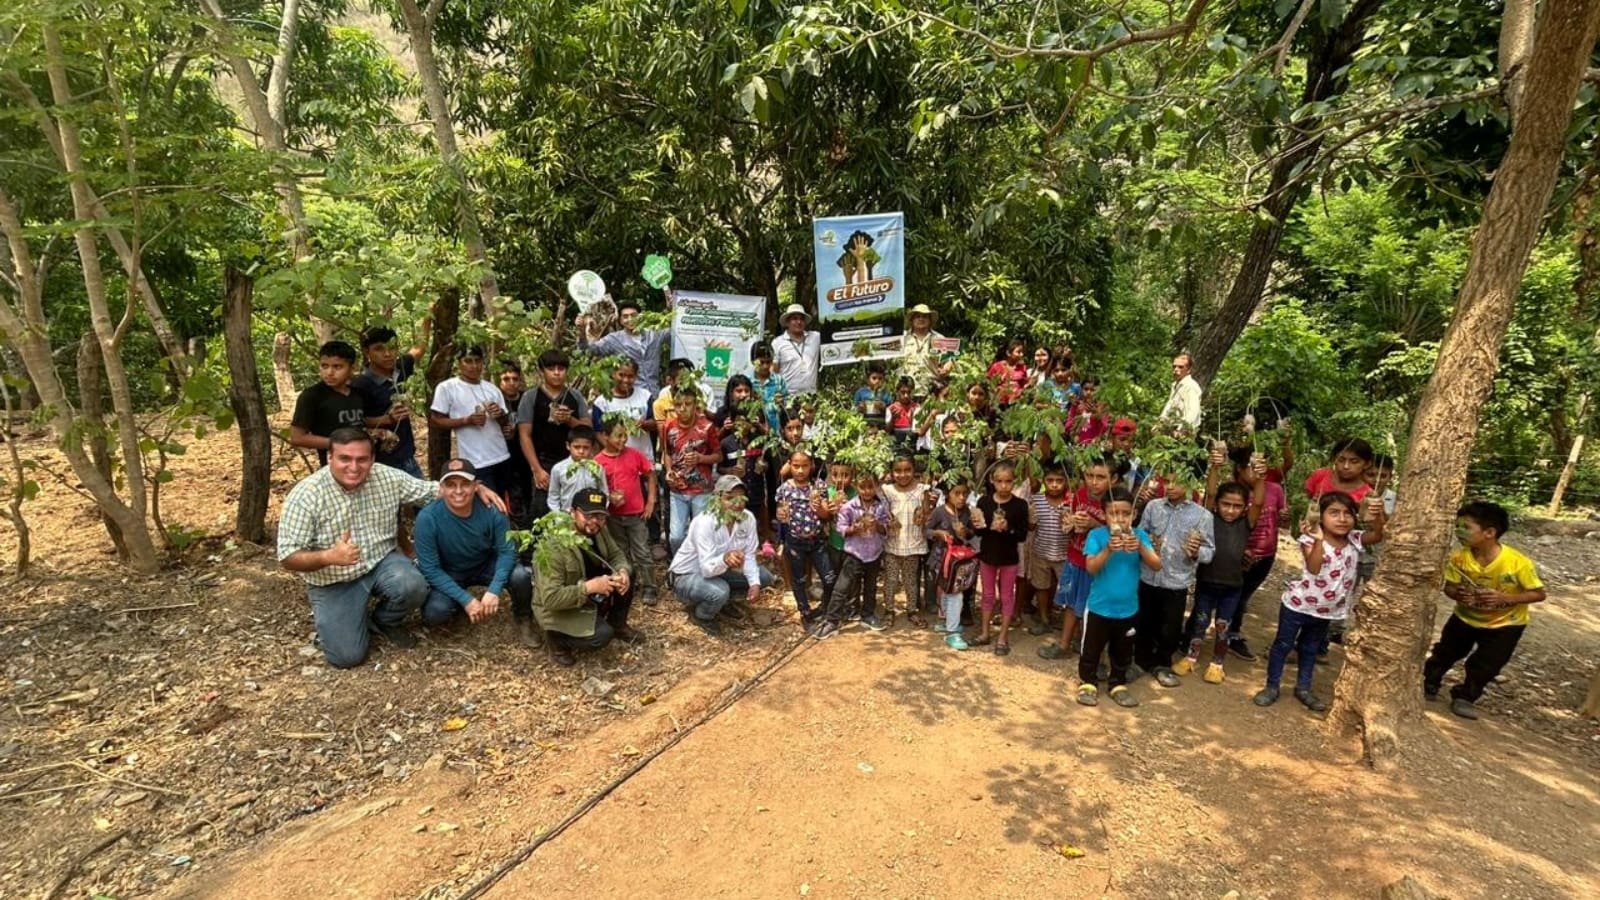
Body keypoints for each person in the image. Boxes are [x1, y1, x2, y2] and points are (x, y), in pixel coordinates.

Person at [277, 428, 504, 668]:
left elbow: (435, 491)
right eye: (345, 458)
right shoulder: (306, 495)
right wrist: (328, 556)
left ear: (372, 459)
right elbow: (288, 557)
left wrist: (475, 488)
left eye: (362, 459)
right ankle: (347, 619)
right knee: (347, 657)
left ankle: (385, 620)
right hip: (333, 579)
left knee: (414, 585)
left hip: (381, 563)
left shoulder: (387, 477)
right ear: (330, 458)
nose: (354, 466)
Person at [1253, 492, 1386, 712]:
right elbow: (1314, 568)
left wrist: (1378, 514)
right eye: (1334, 513)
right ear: (1322, 517)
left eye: (1347, 514)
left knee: (1310, 648)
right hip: (1298, 605)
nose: (1342, 519)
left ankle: (1303, 688)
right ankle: (1271, 686)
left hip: (1326, 611)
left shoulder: (1354, 539)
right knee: (1283, 646)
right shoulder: (1310, 539)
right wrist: (1318, 540)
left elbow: (1378, 535)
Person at [1423, 501, 1546, 720]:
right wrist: (1457, 593)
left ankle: (1466, 696)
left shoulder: (1517, 563)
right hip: (1465, 617)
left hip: (1505, 624)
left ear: (1490, 532)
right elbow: (1449, 587)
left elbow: (1538, 594)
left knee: (1488, 664)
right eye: (1457, 525)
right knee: (1446, 652)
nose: (1459, 531)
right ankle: (1429, 682)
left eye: (1466, 527)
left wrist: (1506, 598)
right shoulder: (1459, 558)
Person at [413, 458, 533, 642]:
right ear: (442, 488)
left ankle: (524, 617)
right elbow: (430, 568)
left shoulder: (492, 509)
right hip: (450, 571)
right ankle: (459, 605)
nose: (459, 491)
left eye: (465, 484)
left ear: (476, 485)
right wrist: (465, 599)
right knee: (435, 612)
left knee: (521, 576)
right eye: (451, 485)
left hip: (484, 563)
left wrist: (494, 590)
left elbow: (507, 551)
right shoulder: (427, 518)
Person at [533, 489, 640, 667]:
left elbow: (616, 555)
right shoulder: (553, 546)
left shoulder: (598, 530)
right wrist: (589, 588)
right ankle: (557, 641)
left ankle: (618, 624)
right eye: (588, 515)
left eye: (600, 516)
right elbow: (551, 599)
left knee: (630, 573)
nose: (594, 522)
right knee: (601, 636)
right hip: (561, 607)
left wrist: (622, 571)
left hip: (591, 592)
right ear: (572, 513)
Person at [1077, 487, 1161, 708]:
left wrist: (1140, 547)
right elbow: (1091, 568)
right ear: (1105, 515)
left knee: (1122, 649)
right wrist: (1108, 550)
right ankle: (1088, 682)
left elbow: (1156, 564)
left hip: (1128, 609)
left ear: (1134, 515)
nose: (1120, 519)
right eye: (1114, 513)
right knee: (1092, 649)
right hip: (1098, 608)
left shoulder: (1140, 536)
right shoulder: (1096, 536)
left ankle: (1117, 683)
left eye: (1125, 514)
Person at [1173, 463, 1256, 683]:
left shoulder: (1246, 523)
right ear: (1217, 505)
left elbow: (1258, 501)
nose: (1230, 510)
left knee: (1223, 625)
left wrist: (1260, 478)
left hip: (1232, 586)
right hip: (1207, 582)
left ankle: (1217, 664)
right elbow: (1210, 493)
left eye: (1236, 506)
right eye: (1225, 504)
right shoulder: (1209, 518)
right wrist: (1215, 468)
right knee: (1200, 621)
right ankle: (1191, 658)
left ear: (1245, 508)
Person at [1135, 474, 1215, 687]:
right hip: (1148, 577)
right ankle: (1140, 662)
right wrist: (1147, 540)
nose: (1169, 486)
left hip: (1176, 581)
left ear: (1189, 481)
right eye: (1167, 481)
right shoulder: (1153, 506)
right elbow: (1140, 532)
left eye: (1176, 481)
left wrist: (1196, 552)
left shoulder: (1202, 515)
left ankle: (1162, 664)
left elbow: (1210, 551)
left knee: (1169, 627)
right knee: (1144, 622)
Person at [669, 475, 776, 635]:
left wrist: (754, 584)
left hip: (719, 570)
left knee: (763, 577)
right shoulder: (705, 522)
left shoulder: (748, 518)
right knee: (719, 591)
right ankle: (702, 615)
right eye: (729, 498)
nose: (736, 503)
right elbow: (706, 569)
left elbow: (749, 554)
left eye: (741, 498)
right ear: (717, 498)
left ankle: (723, 602)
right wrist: (725, 559)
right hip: (687, 574)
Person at [1041, 457, 1112, 660]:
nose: (1094, 482)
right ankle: (1064, 644)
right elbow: (1067, 526)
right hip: (1075, 557)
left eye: (1100, 477)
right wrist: (1070, 522)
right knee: (1071, 604)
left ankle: (1089, 651)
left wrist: (1093, 524)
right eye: (1089, 476)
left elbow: (1117, 533)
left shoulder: (1113, 503)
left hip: (1098, 565)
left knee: (1094, 609)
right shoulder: (1078, 495)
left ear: (1112, 479)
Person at [1224, 447, 1287, 661]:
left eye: (1261, 464)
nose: (1257, 470)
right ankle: (1211, 631)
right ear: (1240, 469)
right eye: (1251, 466)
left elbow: (1281, 519)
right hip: (1239, 554)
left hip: (1266, 554)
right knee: (1232, 593)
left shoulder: (1276, 490)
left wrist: (1287, 516)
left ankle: (1232, 633)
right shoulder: (1232, 493)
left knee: (1244, 595)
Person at [811, 469, 892, 639]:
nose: (867, 491)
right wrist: (852, 529)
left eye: (871, 487)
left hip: (874, 553)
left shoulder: (880, 507)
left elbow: (886, 528)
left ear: (876, 487)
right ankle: (832, 620)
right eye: (863, 487)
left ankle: (868, 614)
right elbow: (840, 528)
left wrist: (877, 525)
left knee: (870, 587)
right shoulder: (849, 507)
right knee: (841, 588)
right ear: (857, 487)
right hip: (854, 553)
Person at [517, 349, 590, 520]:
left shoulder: (575, 396)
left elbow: (587, 429)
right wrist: (536, 469)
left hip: (573, 460)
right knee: (542, 511)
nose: (557, 373)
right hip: (543, 461)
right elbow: (524, 435)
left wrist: (569, 420)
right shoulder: (531, 397)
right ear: (542, 371)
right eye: (551, 369)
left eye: (561, 368)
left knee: (574, 506)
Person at [429, 345, 512, 493]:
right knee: (485, 503)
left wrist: (499, 414)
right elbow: (436, 420)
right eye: (468, 361)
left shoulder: (492, 388)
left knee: (504, 500)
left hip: (501, 455)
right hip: (475, 460)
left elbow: (505, 423)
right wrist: (467, 421)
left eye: (477, 361)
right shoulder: (447, 388)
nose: (474, 366)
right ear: (459, 363)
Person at [595, 418, 659, 606]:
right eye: (618, 436)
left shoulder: (635, 455)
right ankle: (629, 581)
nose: (623, 440)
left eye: (625, 435)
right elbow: (597, 488)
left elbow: (650, 475)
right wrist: (607, 501)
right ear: (605, 436)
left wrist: (651, 501)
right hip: (613, 516)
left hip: (636, 514)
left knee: (642, 551)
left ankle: (650, 586)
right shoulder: (598, 461)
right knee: (621, 551)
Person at [970, 460, 1030, 655]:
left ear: (1014, 482)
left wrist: (1008, 529)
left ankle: (1003, 636)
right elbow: (978, 533)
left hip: (1009, 558)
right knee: (987, 595)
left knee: (1006, 596)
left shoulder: (1020, 505)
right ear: (992, 481)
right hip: (987, 555)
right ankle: (985, 632)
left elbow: (1021, 535)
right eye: (1000, 481)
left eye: (1008, 481)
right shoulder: (984, 502)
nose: (1004, 486)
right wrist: (977, 525)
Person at [775, 449, 835, 624]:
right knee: (798, 579)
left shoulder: (819, 486)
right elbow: (781, 513)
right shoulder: (784, 489)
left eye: (805, 466)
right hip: (795, 541)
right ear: (790, 466)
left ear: (812, 466)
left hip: (817, 541)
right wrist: (781, 516)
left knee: (829, 577)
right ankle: (805, 611)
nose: (800, 471)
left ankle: (825, 606)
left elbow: (826, 516)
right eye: (796, 466)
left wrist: (818, 507)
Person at [354, 326, 423, 475]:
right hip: (379, 464)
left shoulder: (401, 369)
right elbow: (357, 422)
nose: (387, 354)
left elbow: (419, 349)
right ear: (367, 352)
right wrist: (388, 419)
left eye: (392, 348)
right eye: (379, 349)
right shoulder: (360, 385)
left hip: (408, 458)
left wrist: (428, 316)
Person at [662, 386, 721, 554]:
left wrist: (700, 459)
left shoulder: (707, 427)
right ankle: (679, 569)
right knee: (675, 537)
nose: (683, 408)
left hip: (701, 490)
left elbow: (718, 455)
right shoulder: (669, 426)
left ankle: (700, 567)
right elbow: (668, 452)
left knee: (702, 535)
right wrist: (668, 471)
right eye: (678, 404)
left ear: (696, 405)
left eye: (688, 403)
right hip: (677, 490)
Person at [290, 340, 369, 466]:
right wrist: (338, 444)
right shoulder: (312, 396)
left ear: (352, 368)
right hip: (333, 466)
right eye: (324, 366)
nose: (329, 373)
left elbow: (364, 421)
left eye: (337, 367)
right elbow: (297, 437)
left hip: (363, 462)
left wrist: (388, 419)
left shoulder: (358, 394)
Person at [576, 297, 670, 393]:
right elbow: (590, 351)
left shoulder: (654, 335)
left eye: (633, 315)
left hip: (654, 394)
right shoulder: (614, 339)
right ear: (620, 320)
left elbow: (676, 331)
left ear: (640, 317)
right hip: (630, 395)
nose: (630, 319)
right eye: (625, 316)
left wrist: (673, 308)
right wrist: (581, 332)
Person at [925, 480, 977, 650]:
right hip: (941, 560)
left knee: (954, 592)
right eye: (957, 493)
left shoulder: (967, 513)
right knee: (951, 593)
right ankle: (952, 632)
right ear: (948, 494)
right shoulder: (939, 512)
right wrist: (939, 533)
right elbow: (926, 530)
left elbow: (971, 534)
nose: (961, 497)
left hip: (958, 563)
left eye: (965, 493)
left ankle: (947, 622)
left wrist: (965, 532)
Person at [882, 456, 932, 628]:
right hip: (892, 545)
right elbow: (881, 506)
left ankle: (912, 610)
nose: (902, 474)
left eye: (907, 470)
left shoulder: (921, 489)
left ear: (914, 470)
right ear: (891, 472)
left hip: (913, 544)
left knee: (911, 581)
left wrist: (925, 510)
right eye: (898, 470)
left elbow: (926, 513)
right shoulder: (887, 490)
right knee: (891, 580)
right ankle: (889, 610)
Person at [1025, 465, 1071, 637]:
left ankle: (1068, 627)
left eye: (1059, 481)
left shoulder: (1071, 501)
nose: (1054, 485)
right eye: (1050, 481)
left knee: (1067, 590)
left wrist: (1070, 522)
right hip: (1041, 552)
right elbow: (1031, 527)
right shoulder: (1036, 500)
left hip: (1065, 555)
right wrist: (1031, 519)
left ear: (1065, 483)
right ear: (1044, 481)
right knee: (1041, 587)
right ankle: (1044, 619)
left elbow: (1074, 530)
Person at [496, 359, 534, 527]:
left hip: (525, 456)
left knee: (527, 492)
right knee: (509, 494)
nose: (511, 383)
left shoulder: (528, 399)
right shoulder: (495, 400)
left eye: (515, 379)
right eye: (506, 379)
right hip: (502, 456)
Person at [548, 425, 608, 513]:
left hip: (591, 517)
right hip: (567, 515)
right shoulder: (558, 469)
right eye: (576, 447)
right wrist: (559, 517)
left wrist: (598, 514)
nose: (581, 451)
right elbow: (553, 496)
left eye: (586, 447)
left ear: (592, 447)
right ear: (568, 446)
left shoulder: (598, 468)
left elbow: (604, 493)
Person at [901, 303, 951, 395]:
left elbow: (950, 360)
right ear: (912, 320)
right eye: (917, 316)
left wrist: (946, 369)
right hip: (905, 391)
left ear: (930, 320)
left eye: (925, 316)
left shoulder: (939, 338)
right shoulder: (902, 338)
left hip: (932, 389)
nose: (921, 319)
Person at [771, 304, 822, 395]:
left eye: (801, 319)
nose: (799, 322)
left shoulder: (815, 337)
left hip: (811, 396)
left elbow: (833, 336)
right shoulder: (777, 343)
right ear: (787, 322)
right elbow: (774, 371)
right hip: (788, 397)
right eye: (794, 318)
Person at [1304, 438, 1374, 502]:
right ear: (1334, 459)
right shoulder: (1320, 476)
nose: (1346, 466)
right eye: (1341, 460)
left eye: (1354, 462)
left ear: (1367, 464)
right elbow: (1301, 501)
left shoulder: (1367, 494)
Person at [1158, 353, 1202, 433]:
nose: (1176, 369)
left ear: (1189, 370)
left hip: (1183, 431)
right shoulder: (1176, 385)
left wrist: (1181, 430)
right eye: (1174, 366)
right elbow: (1170, 405)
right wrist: (1160, 423)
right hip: (1171, 428)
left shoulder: (1190, 386)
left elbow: (1193, 411)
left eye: (1181, 367)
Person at [987, 338, 1029, 406]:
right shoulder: (996, 366)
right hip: (999, 404)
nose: (1021, 355)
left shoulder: (1022, 368)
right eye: (1018, 352)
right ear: (1008, 353)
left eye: (1022, 352)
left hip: (1016, 404)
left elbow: (1023, 385)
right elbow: (989, 385)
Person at [853, 361, 893, 427]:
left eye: (880, 378)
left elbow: (890, 411)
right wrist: (860, 407)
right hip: (865, 425)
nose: (877, 381)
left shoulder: (886, 393)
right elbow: (854, 409)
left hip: (881, 425)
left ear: (883, 380)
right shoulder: (861, 392)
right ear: (867, 379)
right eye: (874, 378)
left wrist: (883, 407)